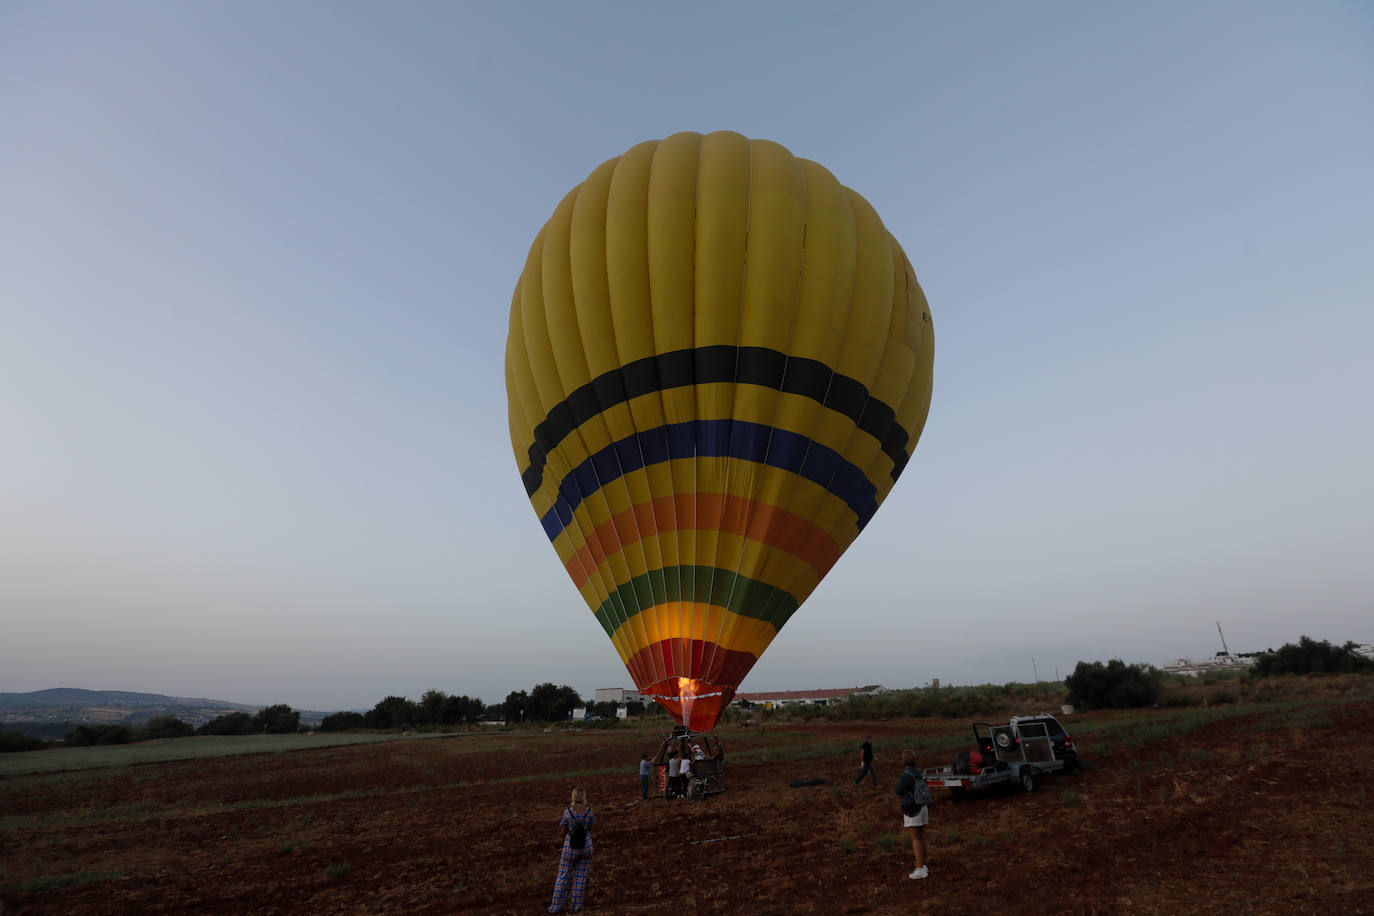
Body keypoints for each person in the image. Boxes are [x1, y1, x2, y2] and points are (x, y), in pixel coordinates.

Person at [549, 786, 595, 913]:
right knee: (580, 878)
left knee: (563, 877)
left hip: (570, 848)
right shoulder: (589, 811)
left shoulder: (567, 813)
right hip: (586, 846)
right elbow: (590, 828)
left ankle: (556, 907)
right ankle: (575, 907)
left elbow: (563, 832)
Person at [894, 749, 931, 879]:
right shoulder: (918, 772)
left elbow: (898, 790)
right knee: (920, 838)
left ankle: (920, 868)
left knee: (915, 839)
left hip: (911, 809)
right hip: (922, 806)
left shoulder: (905, 775)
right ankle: (923, 865)